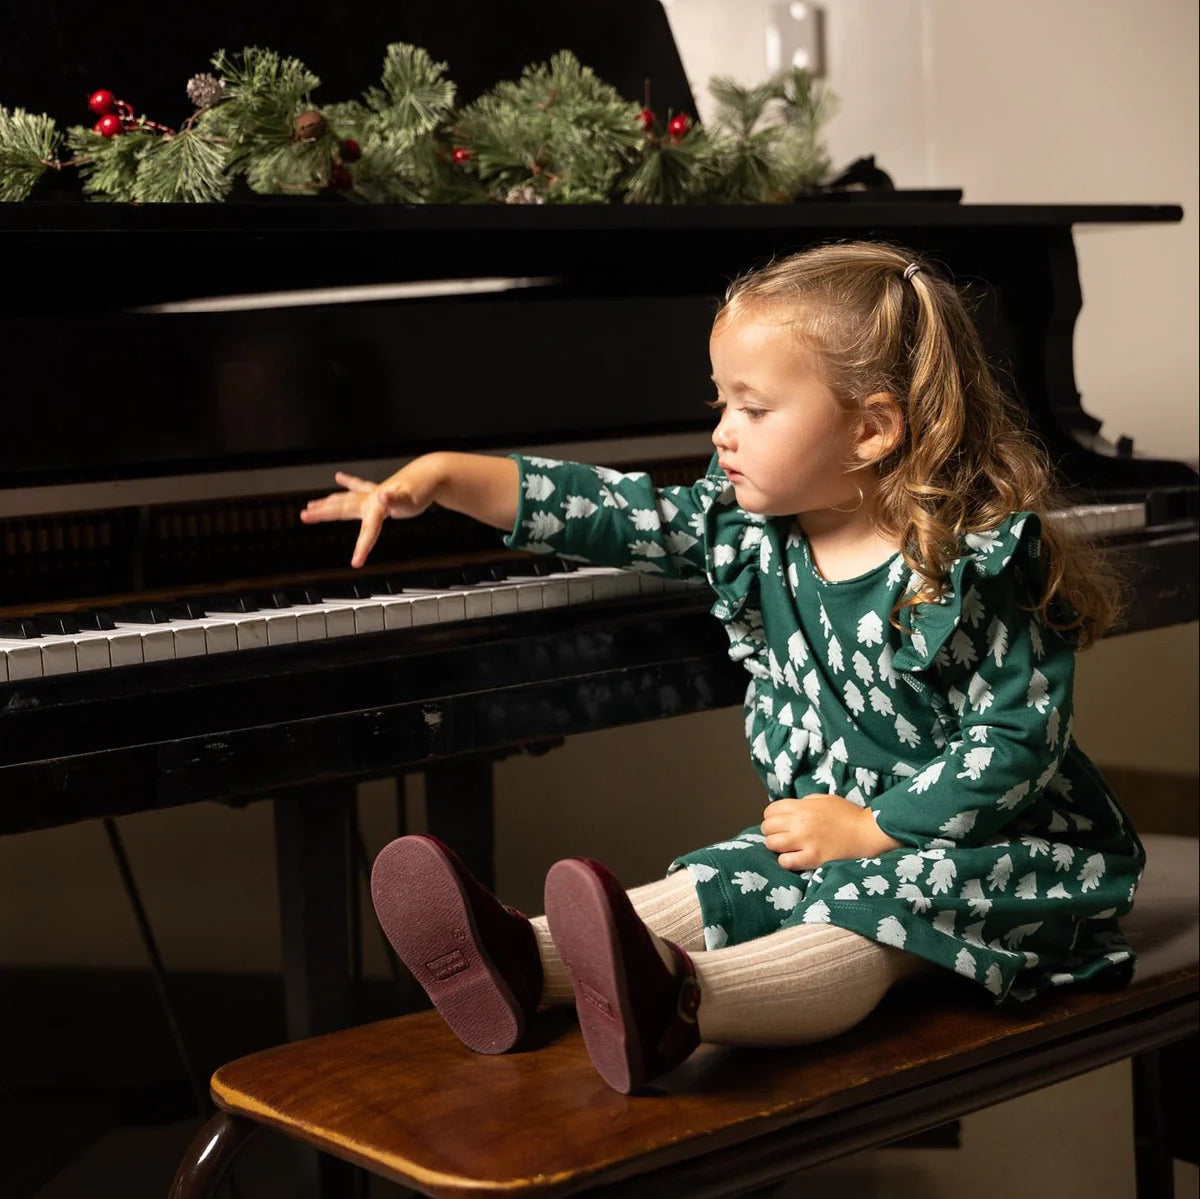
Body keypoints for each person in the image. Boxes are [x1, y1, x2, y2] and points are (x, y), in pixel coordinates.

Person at [299, 240, 1144, 1094]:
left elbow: (1015, 741)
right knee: (726, 872)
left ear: (871, 428)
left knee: (862, 917)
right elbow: (608, 511)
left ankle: (683, 1000)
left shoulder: (972, 563)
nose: (720, 432)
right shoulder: (749, 531)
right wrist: (442, 477)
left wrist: (875, 830)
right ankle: (530, 956)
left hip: (1000, 854)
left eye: (753, 408)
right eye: (721, 401)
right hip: (834, 831)